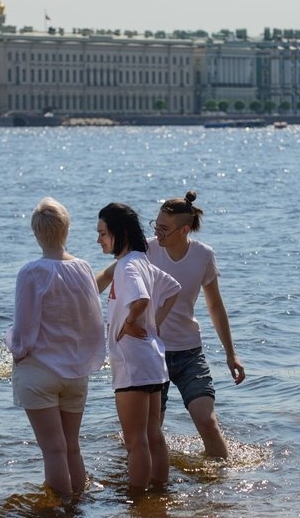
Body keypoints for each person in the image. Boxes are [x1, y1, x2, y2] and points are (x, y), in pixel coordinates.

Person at [109, 190, 245, 459]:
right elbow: (110, 274)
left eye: (164, 228)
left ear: (184, 230)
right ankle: (147, 489)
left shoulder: (203, 256)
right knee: (149, 433)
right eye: (155, 225)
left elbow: (215, 306)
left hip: (189, 353)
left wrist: (231, 354)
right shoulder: (144, 251)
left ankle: (222, 487)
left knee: (207, 421)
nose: (157, 232)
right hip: (150, 353)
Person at [6, 197, 106, 504]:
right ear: (67, 230)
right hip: (76, 372)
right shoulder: (84, 268)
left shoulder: (31, 273)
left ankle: (60, 508)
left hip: (40, 371)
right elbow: (92, 320)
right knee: (71, 446)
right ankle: (78, 505)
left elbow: (24, 331)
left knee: (52, 449)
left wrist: (14, 349)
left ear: (37, 233)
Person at [96, 202, 181, 493]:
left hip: (132, 361)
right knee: (153, 436)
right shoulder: (142, 261)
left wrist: (134, 320)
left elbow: (141, 299)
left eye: (103, 233)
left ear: (119, 233)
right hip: (152, 360)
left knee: (135, 442)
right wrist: (153, 326)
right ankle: (159, 492)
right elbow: (173, 289)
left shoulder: (127, 266)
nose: (99, 240)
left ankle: (137, 500)